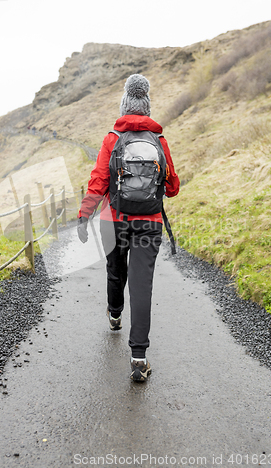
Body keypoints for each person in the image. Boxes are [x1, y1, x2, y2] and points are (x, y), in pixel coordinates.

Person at [77, 74, 179, 382]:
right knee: (141, 286)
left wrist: (84, 215)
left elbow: (98, 181)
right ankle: (138, 358)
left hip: (114, 220)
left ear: (124, 107)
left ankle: (115, 313)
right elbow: (172, 187)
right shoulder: (159, 141)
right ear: (147, 108)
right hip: (149, 224)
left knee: (115, 271)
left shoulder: (112, 139)